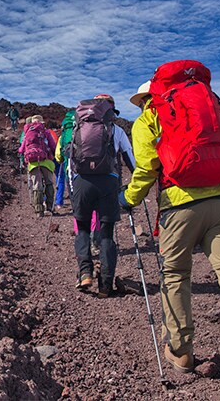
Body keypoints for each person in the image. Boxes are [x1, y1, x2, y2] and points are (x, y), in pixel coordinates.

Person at [120, 78, 220, 399]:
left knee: (176, 276)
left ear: (144, 100)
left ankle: (181, 351)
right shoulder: (201, 110)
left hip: (180, 204)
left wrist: (130, 197)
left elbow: (148, 166)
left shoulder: (146, 120)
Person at [70, 95, 135, 297]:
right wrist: (135, 186)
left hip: (82, 182)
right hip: (108, 182)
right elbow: (130, 159)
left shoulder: (78, 127)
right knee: (106, 233)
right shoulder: (117, 130)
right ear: (110, 109)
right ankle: (106, 285)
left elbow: (71, 160)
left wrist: (74, 187)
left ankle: (85, 273)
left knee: (82, 228)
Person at [18, 115, 57, 217]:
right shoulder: (46, 132)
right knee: (49, 184)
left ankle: (39, 211)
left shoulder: (27, 133)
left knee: (37, 185)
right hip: (46, 162)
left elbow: (21, 149)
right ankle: (50, 208)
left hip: (33, 163)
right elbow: (53, 146)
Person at [53, 110, 75, 211]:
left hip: (69, 166)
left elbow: (58, 155)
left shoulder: (64, 135)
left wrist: (60, 159)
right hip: (89, 168)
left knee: (62, 180)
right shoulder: (86, 130)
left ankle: (61, 204)